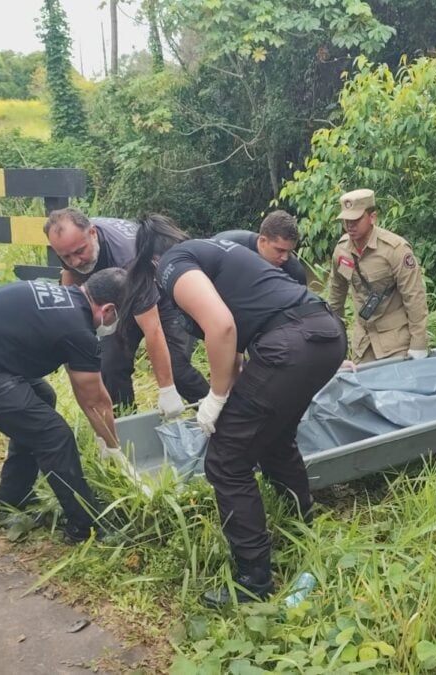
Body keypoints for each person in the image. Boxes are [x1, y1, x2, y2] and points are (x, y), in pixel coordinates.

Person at [125, 214, 346, 608]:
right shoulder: (218, 249)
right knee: (275, 439)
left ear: (152, 261)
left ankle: (252, 580)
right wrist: (231, 394)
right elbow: (238, 346)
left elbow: (222, 327)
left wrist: (215, 397)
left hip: (290, 342)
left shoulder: (174, 263)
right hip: (324, 333)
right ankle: (301, 524)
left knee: (226, 460)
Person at [0, 270, 129, 544]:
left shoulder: (67, 300)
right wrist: (114, 449)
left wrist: (105, 438)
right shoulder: (78, 330)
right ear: (108, 309)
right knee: (53, 435)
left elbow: (87, 389)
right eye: (121, 316)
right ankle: (86, 526)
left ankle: (13, 495)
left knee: (42, 400)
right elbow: (93, 399)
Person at [45, 208, 208, 412]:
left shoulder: (127, 257)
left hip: (165, 295)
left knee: (176, 369)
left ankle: (219, 419)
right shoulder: (70, 242)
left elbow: (153, 329)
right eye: (66, 256)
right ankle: (127, 425)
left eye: (80, 252)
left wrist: (166, 390)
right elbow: (70, 276)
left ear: (93, 233)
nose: (75, 261)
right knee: (110, 364)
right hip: (118, 296)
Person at [326, 188, 429, 364]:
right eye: (346, 220)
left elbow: (415, 298)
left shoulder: (395, 250)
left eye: (356, 219)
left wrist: (418, 345)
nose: (350, 225)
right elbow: (336, 298)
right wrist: (334, 345)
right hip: (362, 344)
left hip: (396, 342)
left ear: (372, 217)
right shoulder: (341, 251)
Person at [212, 210, 309, 286]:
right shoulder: (226, 246)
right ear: (263, 241)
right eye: (280, 250)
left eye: (290, 252)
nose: (285, 257)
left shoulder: (295, 273)